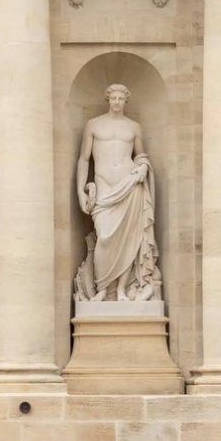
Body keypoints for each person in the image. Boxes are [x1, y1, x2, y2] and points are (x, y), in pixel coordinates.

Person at [73, 84, 161, 302]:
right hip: (104, 188)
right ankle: (102, 287)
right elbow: (84, 159)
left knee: (128, 240)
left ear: (126, 101)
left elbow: (141, 155)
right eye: (114, 97)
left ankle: (121, 290)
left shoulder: (134, 127)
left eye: (121, 98)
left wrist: (142, 167)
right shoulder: (93, 125)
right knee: (104, 238)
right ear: (108, 99)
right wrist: (80, 192)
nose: (117, 101)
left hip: (129, 185)